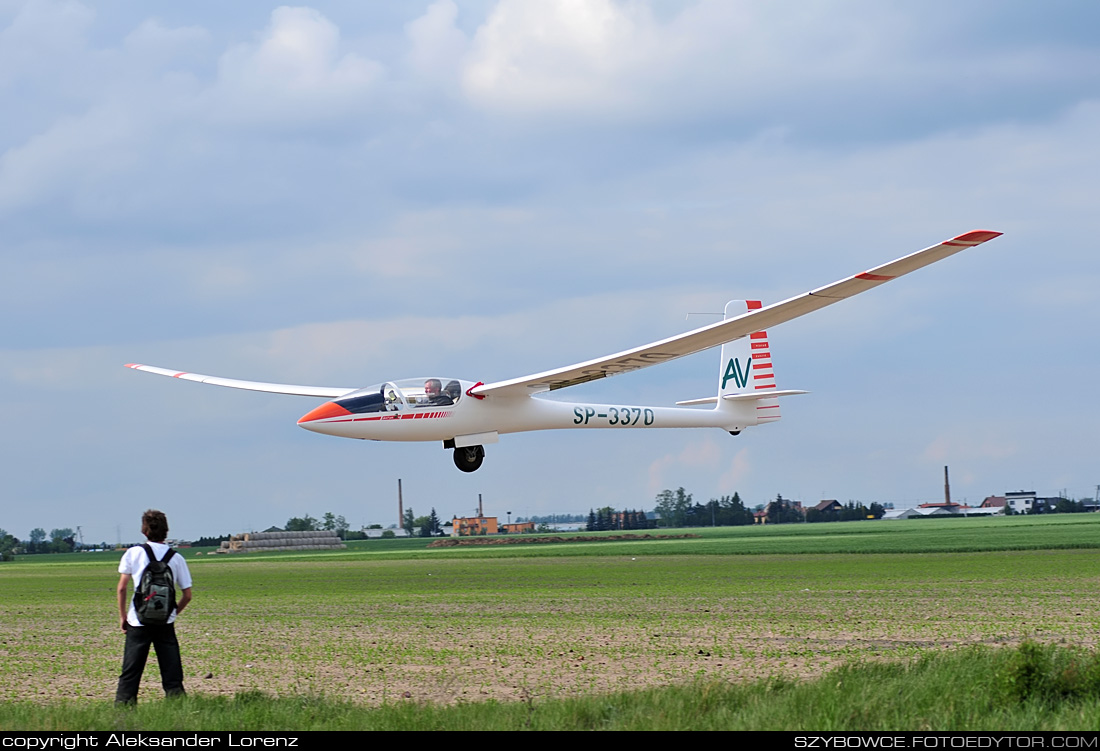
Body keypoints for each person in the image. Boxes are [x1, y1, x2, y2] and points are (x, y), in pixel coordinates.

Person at [115, 509, 193, 705]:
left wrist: (123, 616)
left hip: (137, 620)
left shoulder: (133, 553)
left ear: (144, 531)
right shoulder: (176, 558)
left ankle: (124, 711)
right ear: (166, 531)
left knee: (131, 671)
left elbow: (122, 588)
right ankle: (178, 710)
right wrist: (172, 613)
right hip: (165, 622)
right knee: (172, 672)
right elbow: (187, 595)